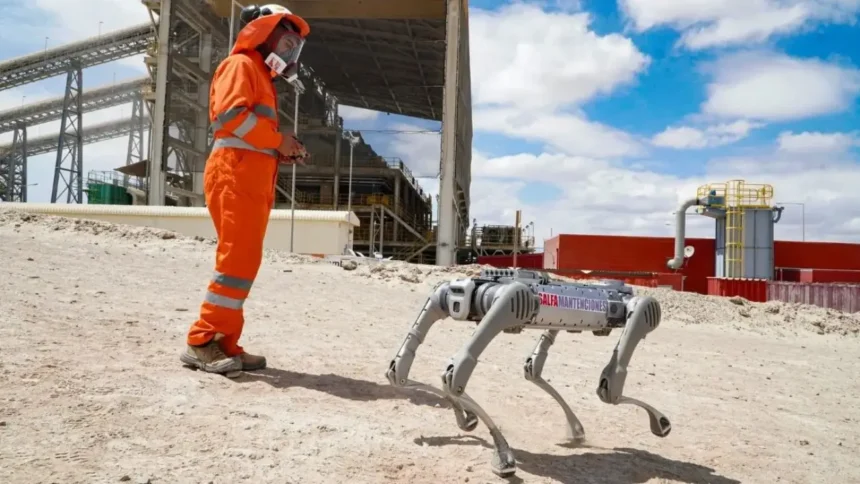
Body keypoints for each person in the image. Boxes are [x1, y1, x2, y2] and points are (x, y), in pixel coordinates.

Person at [179, 4, 311, 376]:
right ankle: (201, 341)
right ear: (262, 34)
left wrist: (279, 149)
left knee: (243, 263)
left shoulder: (260, 76)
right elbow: (232, 117)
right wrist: (278, 140)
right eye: (285, 42)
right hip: (234, 176)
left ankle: (224, 342)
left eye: (293, 47)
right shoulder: (240, 65)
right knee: (236, 262)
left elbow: (250, 132)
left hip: (249, 177)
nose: (289, 52)